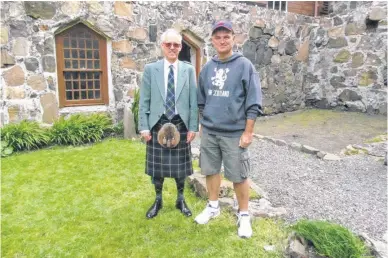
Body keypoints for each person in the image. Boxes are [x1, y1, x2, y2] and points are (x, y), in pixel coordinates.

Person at [194, 21, 262, 238]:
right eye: (217, 37)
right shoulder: (207, 68)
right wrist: (204, 123)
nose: (222, 41)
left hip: (234, 133)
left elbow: (253, 102)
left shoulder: (244, 66)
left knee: (239, 175)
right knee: (210, 170)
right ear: (212, 40)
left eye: (226, 36)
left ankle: (243, 215)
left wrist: (248, 131)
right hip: (211, 132)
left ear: (233, 38)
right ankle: (213, 206)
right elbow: (201, 100)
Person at [138, 29, 198, 219]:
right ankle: (158, 199)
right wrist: (144, 126)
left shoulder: (188, 69)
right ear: (162, 46)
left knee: (181, 168)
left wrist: (193, 126)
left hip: (180, 123)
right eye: (168, 44)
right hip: (157, 123)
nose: (172, 48)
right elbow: (144, 101)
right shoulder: (150, 69)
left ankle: (180, 199)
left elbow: (193, 101)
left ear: (180, 47)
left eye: (176, 45)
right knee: (158, 169)